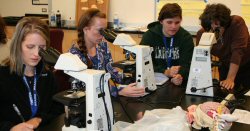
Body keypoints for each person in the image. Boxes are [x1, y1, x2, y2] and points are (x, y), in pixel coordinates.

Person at [0, 17, 63, 131]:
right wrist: (10, 128)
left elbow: (58, 109)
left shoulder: (48, 77)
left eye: (42, 47)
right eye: (30, 47)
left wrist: (39, 119)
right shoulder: (3, 77)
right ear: (18, 45)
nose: (36, 53)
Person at [69, 8, 145, 97]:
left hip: (104, 97)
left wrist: (134, 79)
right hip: (85, 102)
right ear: (86, 30)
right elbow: (83, 88)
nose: (103, 34)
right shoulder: (74, 54)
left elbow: (111, 71)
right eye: (100, 30)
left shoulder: (103, 46)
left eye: (105, 30)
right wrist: (118, 91)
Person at [197, 3, 250, 92]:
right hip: (226, 66)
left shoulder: (236, 23)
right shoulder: (201, 34)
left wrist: (230, 79)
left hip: (246, 65)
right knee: (224, 94)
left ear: (225, 23)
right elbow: (203, 59)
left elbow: (237, 52)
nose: (214, 30)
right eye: (211, 27)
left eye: (218, 27)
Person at [140, 3, 194, 86]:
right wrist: (165, 71)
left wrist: (180, 75)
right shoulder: (149, 36)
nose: (173, 26)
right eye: (169, 22)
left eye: (177, 22)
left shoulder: (186, 38)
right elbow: (142, 62)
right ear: (161, 21)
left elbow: (188, 65)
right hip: (154, 80)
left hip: (178, 83)